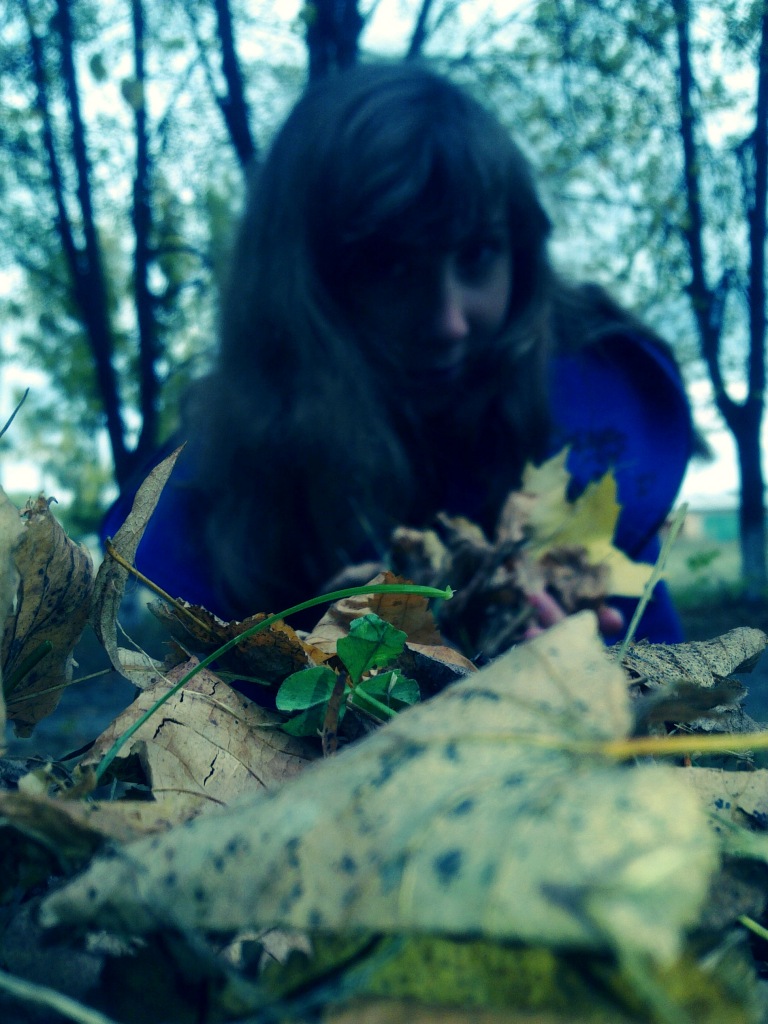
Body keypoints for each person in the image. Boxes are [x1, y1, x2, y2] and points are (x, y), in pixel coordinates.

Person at [103, 60, 694, 647]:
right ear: (304, 287)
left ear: (520, 252)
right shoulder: (219, 504)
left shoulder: (589, 437)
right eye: (392, 269)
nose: (448, 321)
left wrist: (593, 679)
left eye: (479, 255)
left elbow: (669, 682)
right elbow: (206, 701)